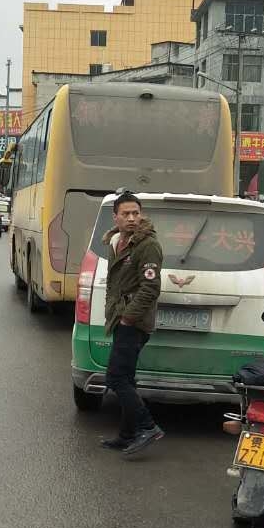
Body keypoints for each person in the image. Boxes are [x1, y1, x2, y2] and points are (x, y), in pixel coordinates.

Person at [99, 192, 164, 457]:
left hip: (134, 321)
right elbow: (114, 284)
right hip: (120, 317)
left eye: (136, 213)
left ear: (142, 214)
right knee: (126, 378)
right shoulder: (117, 241)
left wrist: (128, 318)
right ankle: (127, 435)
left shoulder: (147, 245)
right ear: (115, 217)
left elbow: (151, 288)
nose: (132, 218)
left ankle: (147, 426)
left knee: (115, 378)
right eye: (125, 214)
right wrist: (114, 314)